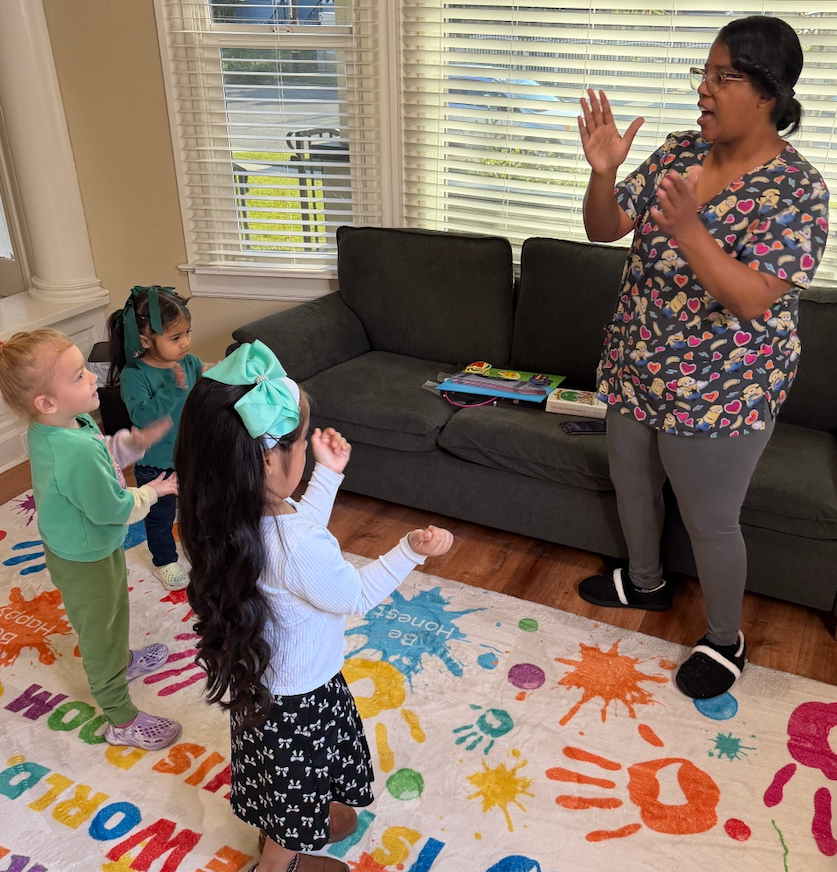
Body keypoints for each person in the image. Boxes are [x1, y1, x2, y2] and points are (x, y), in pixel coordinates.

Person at [575, 16, 828, 699]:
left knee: (709, 520)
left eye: (724, 77)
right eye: (703, 75)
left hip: (724, 389)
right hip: (636, 362)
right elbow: (604, 226)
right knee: (630, 480)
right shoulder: (675, 152)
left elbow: (750, 297)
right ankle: (646, 583)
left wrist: (689, 231)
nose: (704, 90)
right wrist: (603, 174)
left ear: (768, 92)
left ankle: (725, 640)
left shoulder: (796, 191)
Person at [175, 340, 453, 872]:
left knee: (283, 781)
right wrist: (409, 551)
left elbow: (296, 534)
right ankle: (281, 864)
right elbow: (354, 593)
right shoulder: (295, 544)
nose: (305, 451)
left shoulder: (219, 518)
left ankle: (284, 828)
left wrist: (325, 473)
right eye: (301, 444)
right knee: (293, 807)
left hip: (264, 688)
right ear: (265, 458)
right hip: (301, 699)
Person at [0, 328, 183, 750]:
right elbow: (114, 507)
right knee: (99, 630)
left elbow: (98, 450)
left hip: (90, 545)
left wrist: (130, 444)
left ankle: (119, 661)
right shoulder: (71, 448)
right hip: (84, 554)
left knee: (113, 607)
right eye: (79, 376)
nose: (93, 378)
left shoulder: (63, 425)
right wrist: (154, 491)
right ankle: (120, 717)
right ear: (45, 402)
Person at [107, 285, 207, 591]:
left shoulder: (189, 363)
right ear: (145, 339)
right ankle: (164, 561)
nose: (186, 342)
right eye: (175, 337)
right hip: (155, 466)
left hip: (191, 457)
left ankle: (203, 554)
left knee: (198, 511)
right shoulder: (134, 375)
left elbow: (201, 398)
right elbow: (143, 416)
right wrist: (172, 390)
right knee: (160, 518)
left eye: (187, 332)